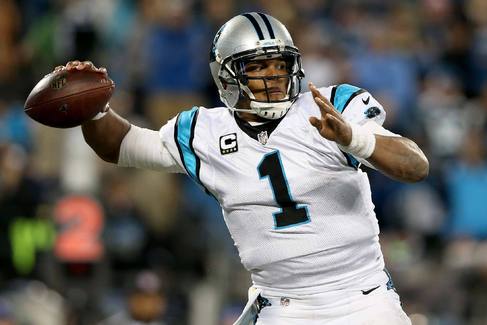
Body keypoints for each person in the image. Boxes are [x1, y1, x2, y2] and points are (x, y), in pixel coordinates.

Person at [55, 12, 428, 325]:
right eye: (258, 67)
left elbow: (415, 165)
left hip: (361, 300)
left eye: (279, 65)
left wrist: (353, 139)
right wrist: (93, 106)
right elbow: (121, 146)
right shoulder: (205, 132)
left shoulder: (329, 106)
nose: (273, 77)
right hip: (281, 306)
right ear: (227, 75)